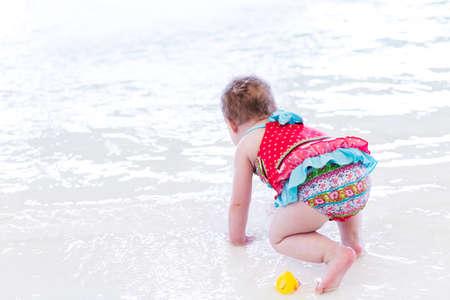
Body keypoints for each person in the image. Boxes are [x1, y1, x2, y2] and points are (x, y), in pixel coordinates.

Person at [220, 75, 377, 294]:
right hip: (357, 175)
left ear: (231, 124)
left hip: (320, 187)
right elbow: (325, 162)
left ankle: (334, 254)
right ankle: (353, 244)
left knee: (279, 237)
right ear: (272, 109)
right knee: (335, 176)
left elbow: (239, 203)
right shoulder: (292, 125)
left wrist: (237, 240)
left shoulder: (246, 144)